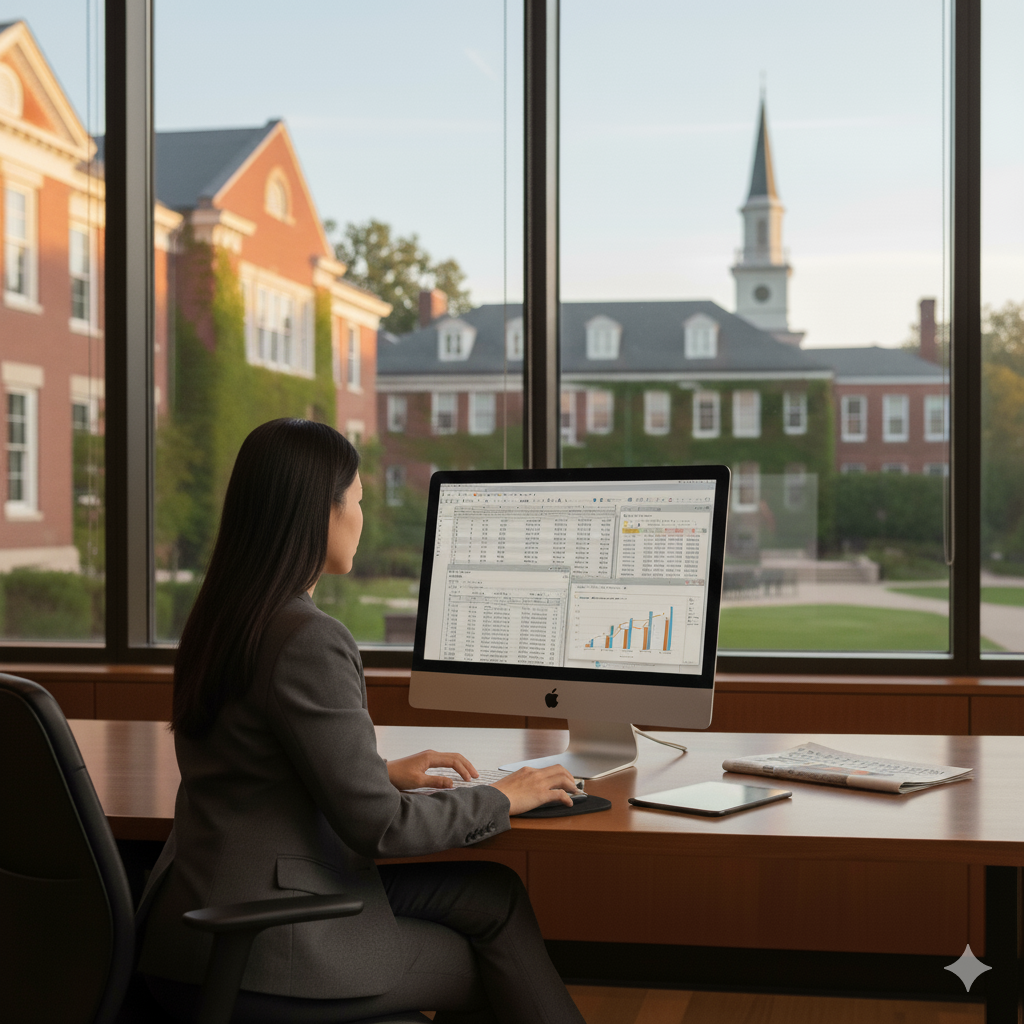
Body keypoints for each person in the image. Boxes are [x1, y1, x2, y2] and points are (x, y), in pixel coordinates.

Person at [138, 418, 585, 1024]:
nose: (362, 517)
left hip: (194, 923)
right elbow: (381, 828)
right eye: (357, 500)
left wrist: (377, 772)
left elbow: (254, 763)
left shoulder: (223, 617)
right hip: (268, 948)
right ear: (317, 512)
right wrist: (503, 796)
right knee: (495, 965)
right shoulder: (307, 638)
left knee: (494, 896)